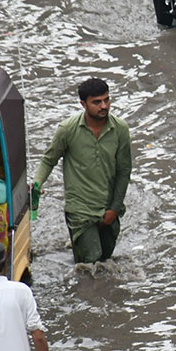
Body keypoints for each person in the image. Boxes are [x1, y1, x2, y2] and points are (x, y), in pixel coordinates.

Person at [33, 78, 133, 264]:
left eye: (106, 100)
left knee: (106, 258)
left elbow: (124, 171)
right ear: (83, 104)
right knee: (91, 262)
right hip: (80, 209)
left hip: (108, 206)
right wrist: (36, 183)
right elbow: (48, 160)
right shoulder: (67, 130)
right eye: (97, 102)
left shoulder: (120, 129)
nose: (103, 106)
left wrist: (113, 208)